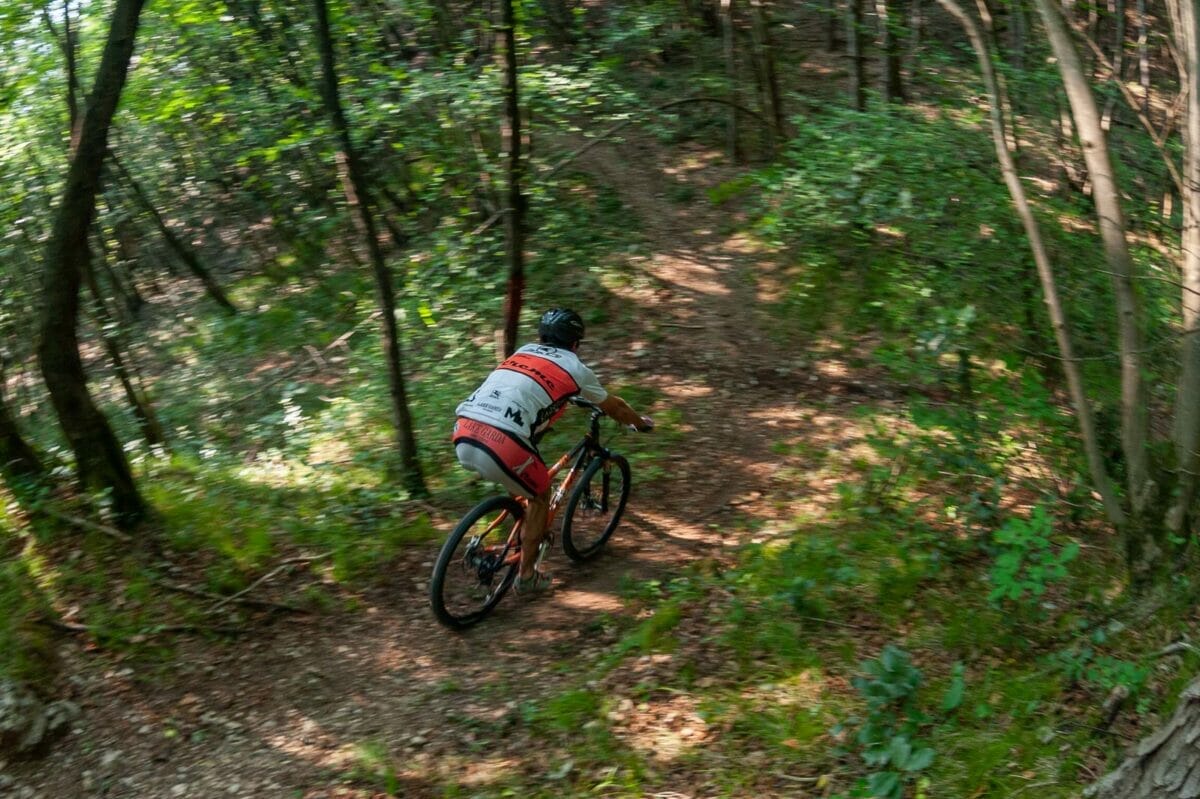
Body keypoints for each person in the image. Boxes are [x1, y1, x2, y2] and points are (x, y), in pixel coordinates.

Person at [452, 308, 653, 594]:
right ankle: (527, 576)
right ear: (575, 343)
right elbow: (616, 407)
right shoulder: (575, 367)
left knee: (523, 477)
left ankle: (522, 526)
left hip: (464, 429)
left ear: (541, 336)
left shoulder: (522, 352)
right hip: (502, 441)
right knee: (541, 494)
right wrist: (639, 423)